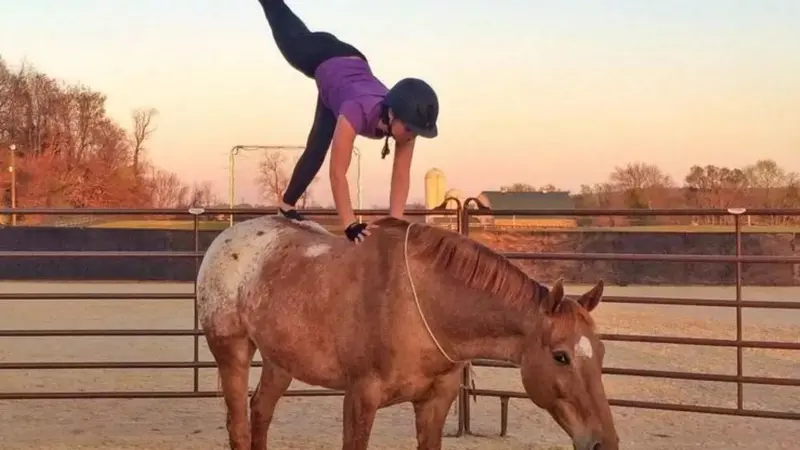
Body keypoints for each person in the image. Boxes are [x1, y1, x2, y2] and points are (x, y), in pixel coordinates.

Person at [255, 0, 440, 244]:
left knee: (316, 148)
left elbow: (401, 175)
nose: (411, 136)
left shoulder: (405, 124)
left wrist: (395, 224)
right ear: (393, 113)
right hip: (320, 56)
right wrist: (349, 223)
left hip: (341, 81)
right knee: (286, 27)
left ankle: (286, 206)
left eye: (416, 133)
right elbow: (338, 172)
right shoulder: (356, 111)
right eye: (409, 129)